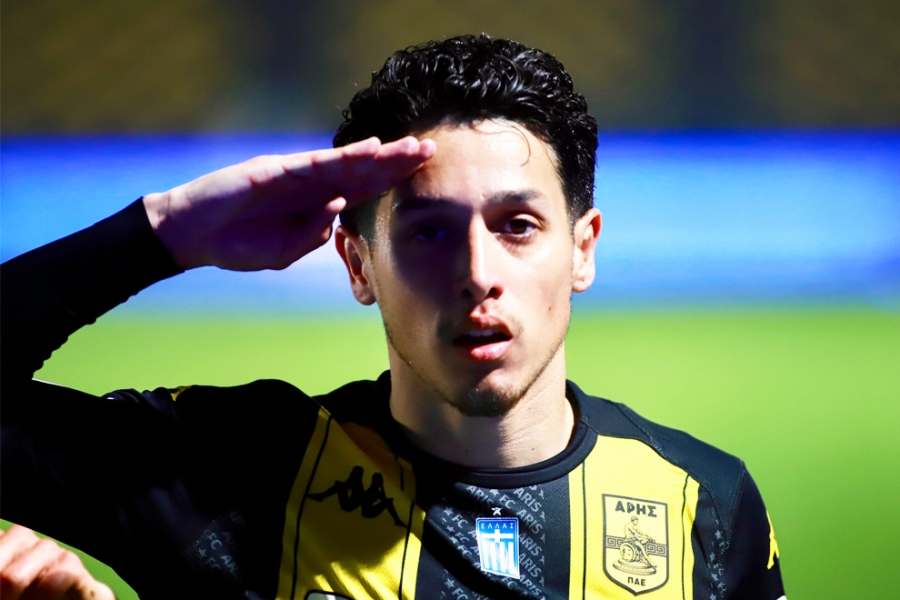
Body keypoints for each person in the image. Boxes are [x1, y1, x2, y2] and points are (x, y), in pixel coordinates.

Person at [0, 35, 785, 599]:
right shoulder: (237, 479)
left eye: (517, 226)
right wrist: (162, 232)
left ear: (582, 250)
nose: (478, 275)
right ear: (358, 264)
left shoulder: (704, 506)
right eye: (430, 232)